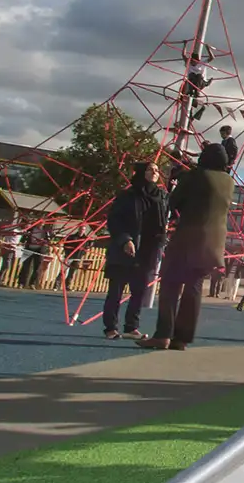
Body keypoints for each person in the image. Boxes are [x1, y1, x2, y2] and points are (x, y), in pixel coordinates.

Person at [149, 141, 235, 350]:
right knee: (193, 288)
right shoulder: (229, 182)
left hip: (188, 239)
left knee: (170, 284)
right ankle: (182, 339)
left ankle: (163, 335)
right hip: (213, 244)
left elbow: (173, 202)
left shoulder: (196, 176)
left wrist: (178, 176)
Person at [100, 163, 169, 339]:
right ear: (141, 173)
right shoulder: (128, 196)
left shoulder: (161, 196)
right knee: (116, 290)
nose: (154, 172)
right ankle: (110, 327)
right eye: (150, 169)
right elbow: (114, 220)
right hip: (127, 247)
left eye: (156, 169)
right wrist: (125, 239)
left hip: (149, 248)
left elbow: (166, 219)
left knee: (139, 291)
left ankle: (131, 327)